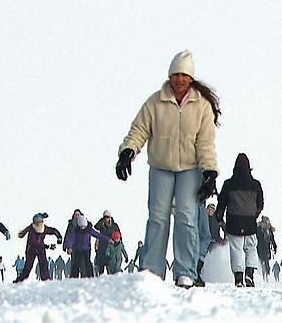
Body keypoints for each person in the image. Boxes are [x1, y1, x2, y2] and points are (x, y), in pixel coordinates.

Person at [116, 50, 219, 288]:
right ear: (169, 76)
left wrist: (209, 172)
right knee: (158, 218)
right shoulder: (155, 102)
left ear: (191, 79)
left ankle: (186, 271)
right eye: (175, 75)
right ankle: (151, 270)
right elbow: (139, 130)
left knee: (186, 218)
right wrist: (127, 152)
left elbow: (205, 143)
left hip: (190, 170)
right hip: (161, 167)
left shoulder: (201, 107)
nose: (179, 80)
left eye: (184, 75)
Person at [214, 154, 264, 287]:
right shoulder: (256, 185)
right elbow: (260, 204)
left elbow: (222, 203)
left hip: (233, 222)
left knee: (236, 249)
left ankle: (238, 278)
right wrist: (254, 215)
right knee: (251, 248)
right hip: (250, 222)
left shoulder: (228, 184)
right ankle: (249, 274)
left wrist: (219, 217)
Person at [16, 213, 63, 282]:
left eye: (41, 223)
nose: (40, 225)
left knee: (44, 263)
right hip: (31, 249)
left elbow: (53, 231)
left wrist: (59, 237)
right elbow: (35, 243)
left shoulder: (44, 228)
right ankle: (20, 280)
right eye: (38, 224)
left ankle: (46, 279)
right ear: (35, 224)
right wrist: (48, 246)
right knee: (28, 266)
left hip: (41, 249)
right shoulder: (32, 230)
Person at [64, 213, 110, 278]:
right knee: (76, 264)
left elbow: (98, 235)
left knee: (87, 263)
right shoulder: (75, 230)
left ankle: (90, 276)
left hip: (86, 249)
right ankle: (74, 277)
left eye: (84, 226)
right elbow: (70, 239)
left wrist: (108, 240)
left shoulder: (89, 230)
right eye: (81, 226)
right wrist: (69, 247)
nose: (82, 228)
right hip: (77, 249)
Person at [94, 211, 120, 276]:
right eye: (105, 217)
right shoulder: (101, 225)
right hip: (102, 247)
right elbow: (96, 227)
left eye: (107, 217)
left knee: (110, 267)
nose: (106, 219)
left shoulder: (114, 226)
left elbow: (119, 235)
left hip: (111, 248)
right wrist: (101, 221)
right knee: (101, 266)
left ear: (110, 217)